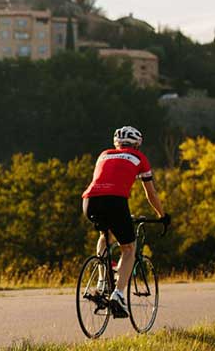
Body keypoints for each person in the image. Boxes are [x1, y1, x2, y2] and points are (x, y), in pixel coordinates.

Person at [81, 126, 170, 318]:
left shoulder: (104, 154)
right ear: (137, 144)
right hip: (115, 201)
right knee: (128, 248)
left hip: (90, 201)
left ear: (116, 143)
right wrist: (163, 215)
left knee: (105, 236)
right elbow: (151, 193)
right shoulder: (139, 158)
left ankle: (102, 281)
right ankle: (118, 295)